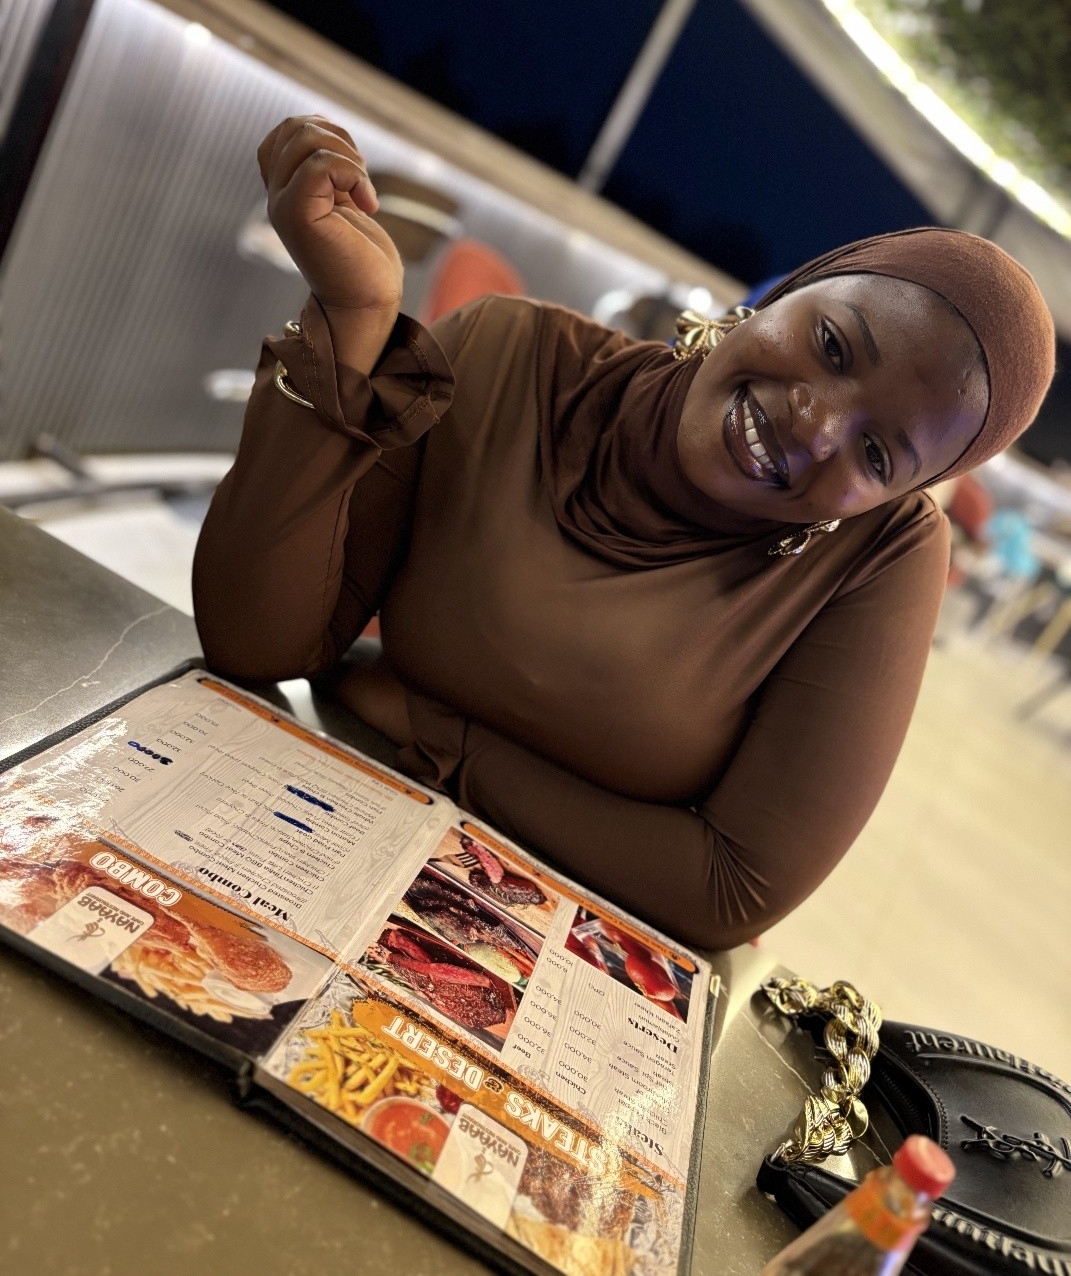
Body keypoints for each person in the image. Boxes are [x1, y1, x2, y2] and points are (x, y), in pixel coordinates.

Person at [192, 116, 1055, 950]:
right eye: (832, 345)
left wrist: (446, 742)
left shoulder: (877, 554)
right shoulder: (504, 356)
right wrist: (350, 321)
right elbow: (256, 644)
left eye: (875, 453)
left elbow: (728, 889)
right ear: (777, 296)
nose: (815, 424)